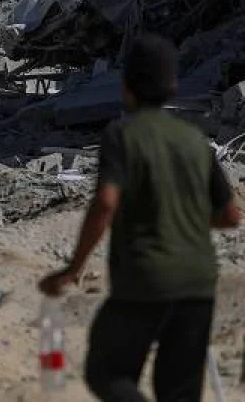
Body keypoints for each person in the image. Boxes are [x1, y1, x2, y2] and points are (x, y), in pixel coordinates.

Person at [39, 33, 241, 402]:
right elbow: (230, 215)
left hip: (145, 278)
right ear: (174, 87)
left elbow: (105, 203)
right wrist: (185, 217)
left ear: (126, 86)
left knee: (106, 371)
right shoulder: (195, 139)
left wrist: (73, 268)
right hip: (198, 282)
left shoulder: (122, 134)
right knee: (179, 392)